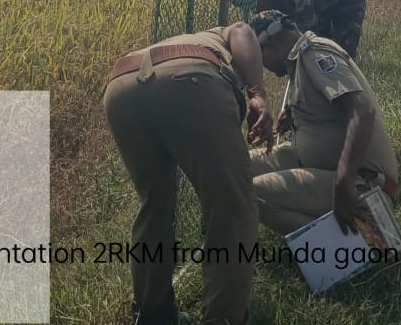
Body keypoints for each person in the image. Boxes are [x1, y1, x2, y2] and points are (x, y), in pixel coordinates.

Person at [103, 24, 273, 325]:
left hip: (121, 86)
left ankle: (152, 314)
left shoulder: (193, 38)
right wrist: (257, 93)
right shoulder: (224, 33)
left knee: (154, 204)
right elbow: (242, 30)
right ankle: (223, 319)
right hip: (188, 78)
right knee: (232, 207)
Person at [247, 10, 398, 236]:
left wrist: (344, 181)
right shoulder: (299, 61)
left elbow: (362, 110)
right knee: (235, 166)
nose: (262, 67)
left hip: (362, 182)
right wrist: (294, 116)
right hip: (319, 165)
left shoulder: (314, 53)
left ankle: (347, 246)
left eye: (260, 58)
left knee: (250, 192)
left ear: (271, 43)